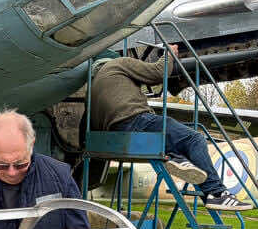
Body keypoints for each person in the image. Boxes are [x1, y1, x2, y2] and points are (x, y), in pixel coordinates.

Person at [89, 44, 242, 210]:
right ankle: (216, 193)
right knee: (194, 138)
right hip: (136, 121)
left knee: (173, 141)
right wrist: (168, 54)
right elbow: (157, 72)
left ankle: (176, 158)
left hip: (113, 136)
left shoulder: (92, 89)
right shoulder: (118, 63)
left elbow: (86, 124)